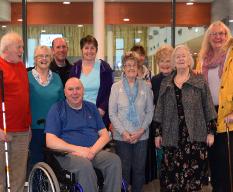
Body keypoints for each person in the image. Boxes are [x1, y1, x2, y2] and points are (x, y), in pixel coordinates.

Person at [153, 45, 217, 191]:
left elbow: (208, 107)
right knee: (172, 180)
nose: (181, 59)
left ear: (189, 60)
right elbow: (159, 109)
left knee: (192, 181)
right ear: (173, 61)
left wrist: (211, 132)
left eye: (184, 56)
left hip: (194, 136)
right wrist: (157, 133)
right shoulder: (166, 82)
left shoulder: (199, 81)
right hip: (172, 137)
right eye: (177, 56)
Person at [45, 77, 122, 192]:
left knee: (114, 161)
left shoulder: (91, 107)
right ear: (65, 92)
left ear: (83, 91)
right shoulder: (57, 109)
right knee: (84, 165)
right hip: (67, 154)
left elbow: (105, 135)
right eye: (70, 89)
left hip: (92, 151)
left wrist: (92, 151)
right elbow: (50, 141)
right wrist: (78, 150)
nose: (75, 92)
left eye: (78, 89)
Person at [109, 51, 154, 192]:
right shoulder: (116, 87)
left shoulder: (146, 87)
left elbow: (150, 111)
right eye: (127, 65)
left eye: (133, 65)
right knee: (124, 169)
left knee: (139, 170)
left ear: (138, 67)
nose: (131, 68)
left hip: (141, 136)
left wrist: (141, 131)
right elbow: (112, 113)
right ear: (123, 68)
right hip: (122, 137)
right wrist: (123, 133)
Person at [197, 20, 233, 192]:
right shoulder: (203, 59)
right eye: (215, 34)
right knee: (214, 162)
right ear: (209, 37)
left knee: (227, 164)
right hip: (209, 116)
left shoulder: (232, 56)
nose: (218, 37)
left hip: (228, 117)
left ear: (227, 36)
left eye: (222, 33)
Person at [0, 32, 31, 192]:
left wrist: (28, 124)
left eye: (22, 47)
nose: (22, 50)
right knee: (1, 177)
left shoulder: (20, 66)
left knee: (19, 175)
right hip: (3, 130)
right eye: (19, 47)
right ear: (7, 49)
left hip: (23, 130)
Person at [28, 45, 64, 170]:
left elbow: (61, 104)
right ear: (34, 59)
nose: (44, 59)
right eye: (40, 56)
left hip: (53, 130)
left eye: (47, 56)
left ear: (51, 58)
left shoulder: (57, 78)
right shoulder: (26, 77)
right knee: (36, 164)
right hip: (33, 130)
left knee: (53, 165)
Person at [70, 35, 113, 128]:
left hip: (99, 114)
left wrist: (102, 108)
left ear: (96, 50)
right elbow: (70, 91)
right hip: (79, 113)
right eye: (86, 48)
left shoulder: (104, 67)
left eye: (92, 48)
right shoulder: (75, 68)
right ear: (82, 50)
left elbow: (110, 91)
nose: (89, 51)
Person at [145, 45, 174, 183]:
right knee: (163, 162)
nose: (165, 64)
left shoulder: (180, 77)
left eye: (168, 60)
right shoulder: (154, 81)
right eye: (162, 61)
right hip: (160, 126)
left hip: (177, 126)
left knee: (176, 161)